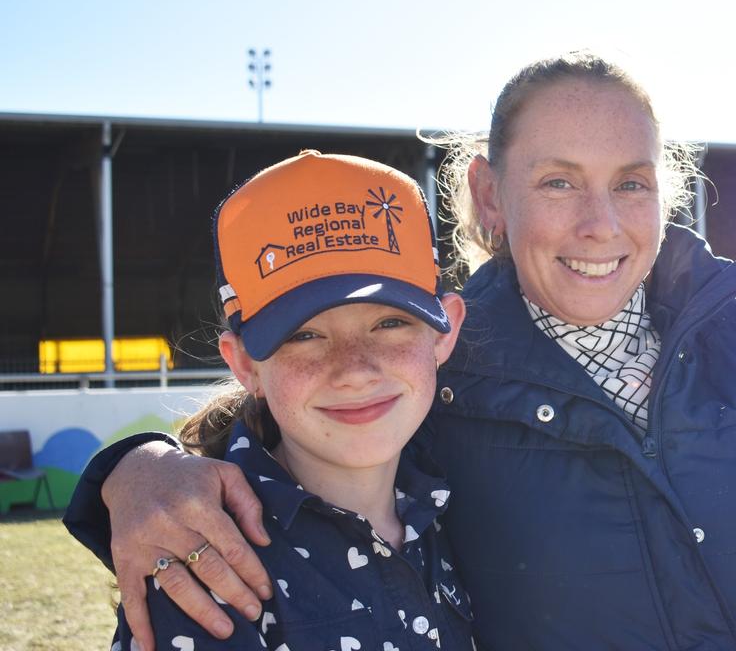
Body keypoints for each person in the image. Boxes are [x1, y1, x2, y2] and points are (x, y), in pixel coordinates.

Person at [65, 52, 736, 650]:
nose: (600, 224)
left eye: (631, 182)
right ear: (489, 194)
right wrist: (133, 472)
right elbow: (293, 428)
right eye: (557, 182)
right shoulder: (443, 375)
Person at [105, 150, 473, 650]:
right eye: (304, 336)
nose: (355, 371)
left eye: (390, 323)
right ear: (244, 365)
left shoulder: (467, 500)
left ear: (443, 333)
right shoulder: (205, 567)